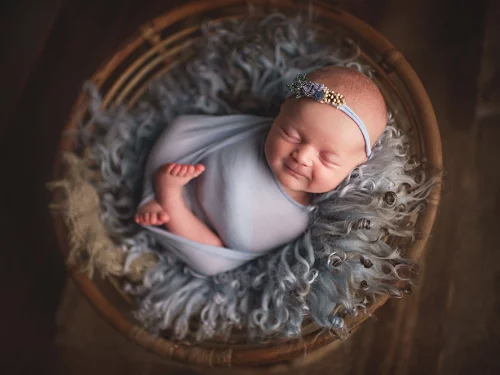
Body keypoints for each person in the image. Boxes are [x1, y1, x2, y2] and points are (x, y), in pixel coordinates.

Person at [134, 66, 387, 275]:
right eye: (291, 134)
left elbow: (233, 255)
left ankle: (169, 199)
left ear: (357, 165)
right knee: (180, 129)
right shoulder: (256, 134)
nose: (302, 156)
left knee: (212, 263)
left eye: (327, 158)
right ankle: (156, 191)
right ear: (279, 115)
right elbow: (189, 133)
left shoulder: (306, 222)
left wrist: (172, 199)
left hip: (203, 234)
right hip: (190, 173)